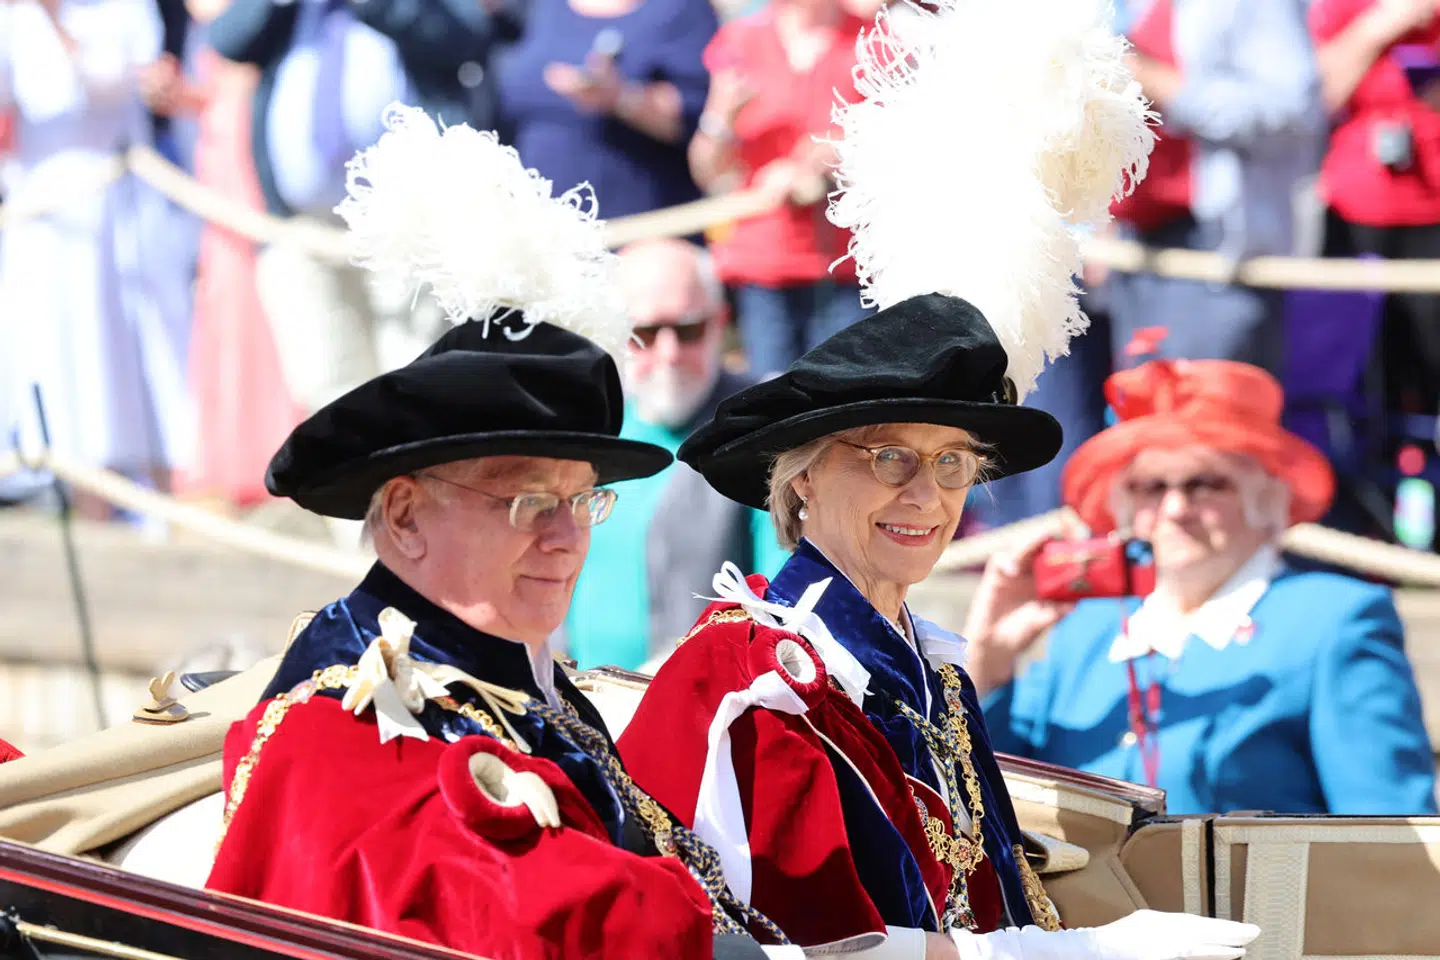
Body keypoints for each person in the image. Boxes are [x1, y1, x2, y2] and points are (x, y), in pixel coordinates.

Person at [620, 0, 1259, 955]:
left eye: (954, 464)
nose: (926, 495)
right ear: (798, 482)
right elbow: (817, 948)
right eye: (888, 458)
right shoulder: (756, 681)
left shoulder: (935, 676)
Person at [206, 105, 790, 959]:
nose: (565, 538)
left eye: (580, 499)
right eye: (525, 502)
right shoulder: (342, 715)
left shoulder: (527, 681)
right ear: (403, 516)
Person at [973, 358, 1440, 816]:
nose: (1175, 508)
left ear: (1266, 498)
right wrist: (988, 662)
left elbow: (1385, 837)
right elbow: (985, 798)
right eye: (1151, 486)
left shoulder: (1335, 621)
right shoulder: (1086, 628)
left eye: (1205, 483)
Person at [0, 0, 194, 518]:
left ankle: (167, 500)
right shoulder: (12, 20)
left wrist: (53, 21)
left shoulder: (125, 9)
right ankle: (88, 506)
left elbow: (120, 80)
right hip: (48, 219)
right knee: (69, 360)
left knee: (141, 352)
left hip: (123, 202)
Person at [561, 238, 789, 670]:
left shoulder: (764, 430)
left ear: (720, 324)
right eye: (644, 334)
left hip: (704, 710)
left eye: (688, 331)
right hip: (580, 705)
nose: (669, 355)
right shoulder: (585, 427)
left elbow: (780, 604)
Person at [1104, 0, 1325, 375]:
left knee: (1206, 426)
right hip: (1137, 254)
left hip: (1217, 255)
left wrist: (1159, 83)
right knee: (1147, 424)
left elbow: (1294, 111)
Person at [687, 0, 870, 377]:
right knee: (770, 404)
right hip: (765, 262)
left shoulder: (874, 41)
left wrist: (830, 154)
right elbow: (707, 170)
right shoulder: (740, 40)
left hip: (847, 265)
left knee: (847, 403)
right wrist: (720, 121)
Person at [1310, 0, 1440, 416]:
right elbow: (1316, 97)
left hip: (1433, 215)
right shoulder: (1342, 8)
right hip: (1357, 212)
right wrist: (1378, 28)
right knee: (1361, 366)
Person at [495, 0, 716, 221]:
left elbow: (700, 115)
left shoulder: (678, 8)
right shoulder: (542, 7)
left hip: (638, 230)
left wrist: (621, 98)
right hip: (540, 225)